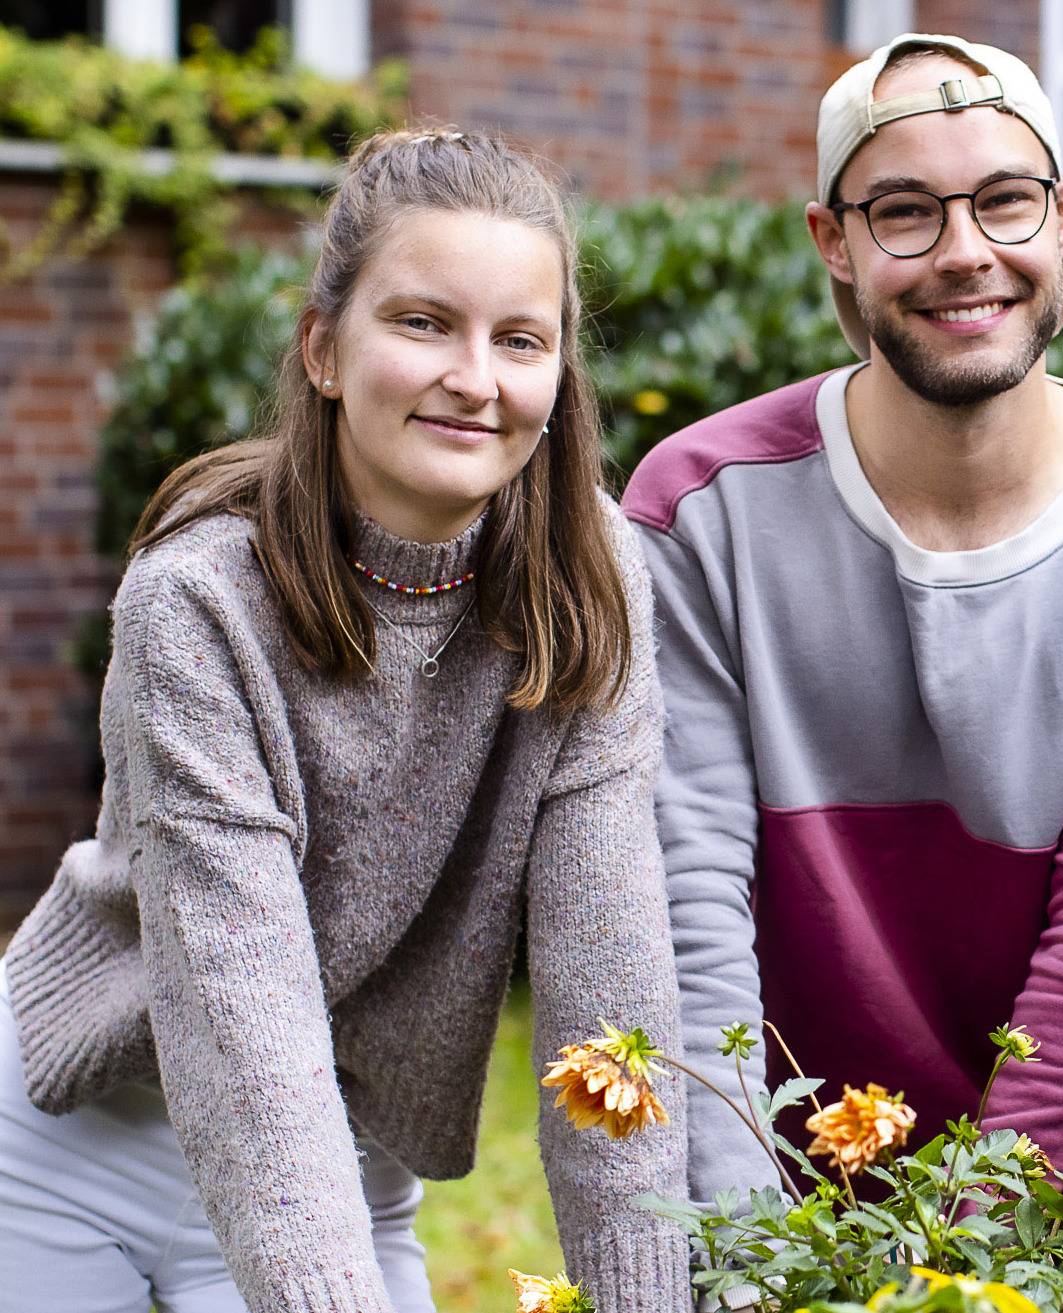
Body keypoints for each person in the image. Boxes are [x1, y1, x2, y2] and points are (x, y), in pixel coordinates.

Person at [0, 129, 689, 1311]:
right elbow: (238, 1009)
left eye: (518, 339)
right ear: (324, 348)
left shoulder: (588, 581)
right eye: (423, 323)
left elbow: (607, 990)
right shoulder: (200, 598)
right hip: (72, 1150)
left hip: (344, 1159)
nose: (475, 376)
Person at [624, 33, 1063, 1207]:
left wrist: (959, 1265)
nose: (966, 253)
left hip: (1055, 1203)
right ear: (833, 241)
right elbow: (688, 902)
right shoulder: (697, 512)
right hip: (773, 1195)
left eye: (1005, 202)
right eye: (905, 212)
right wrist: (737, 1242)